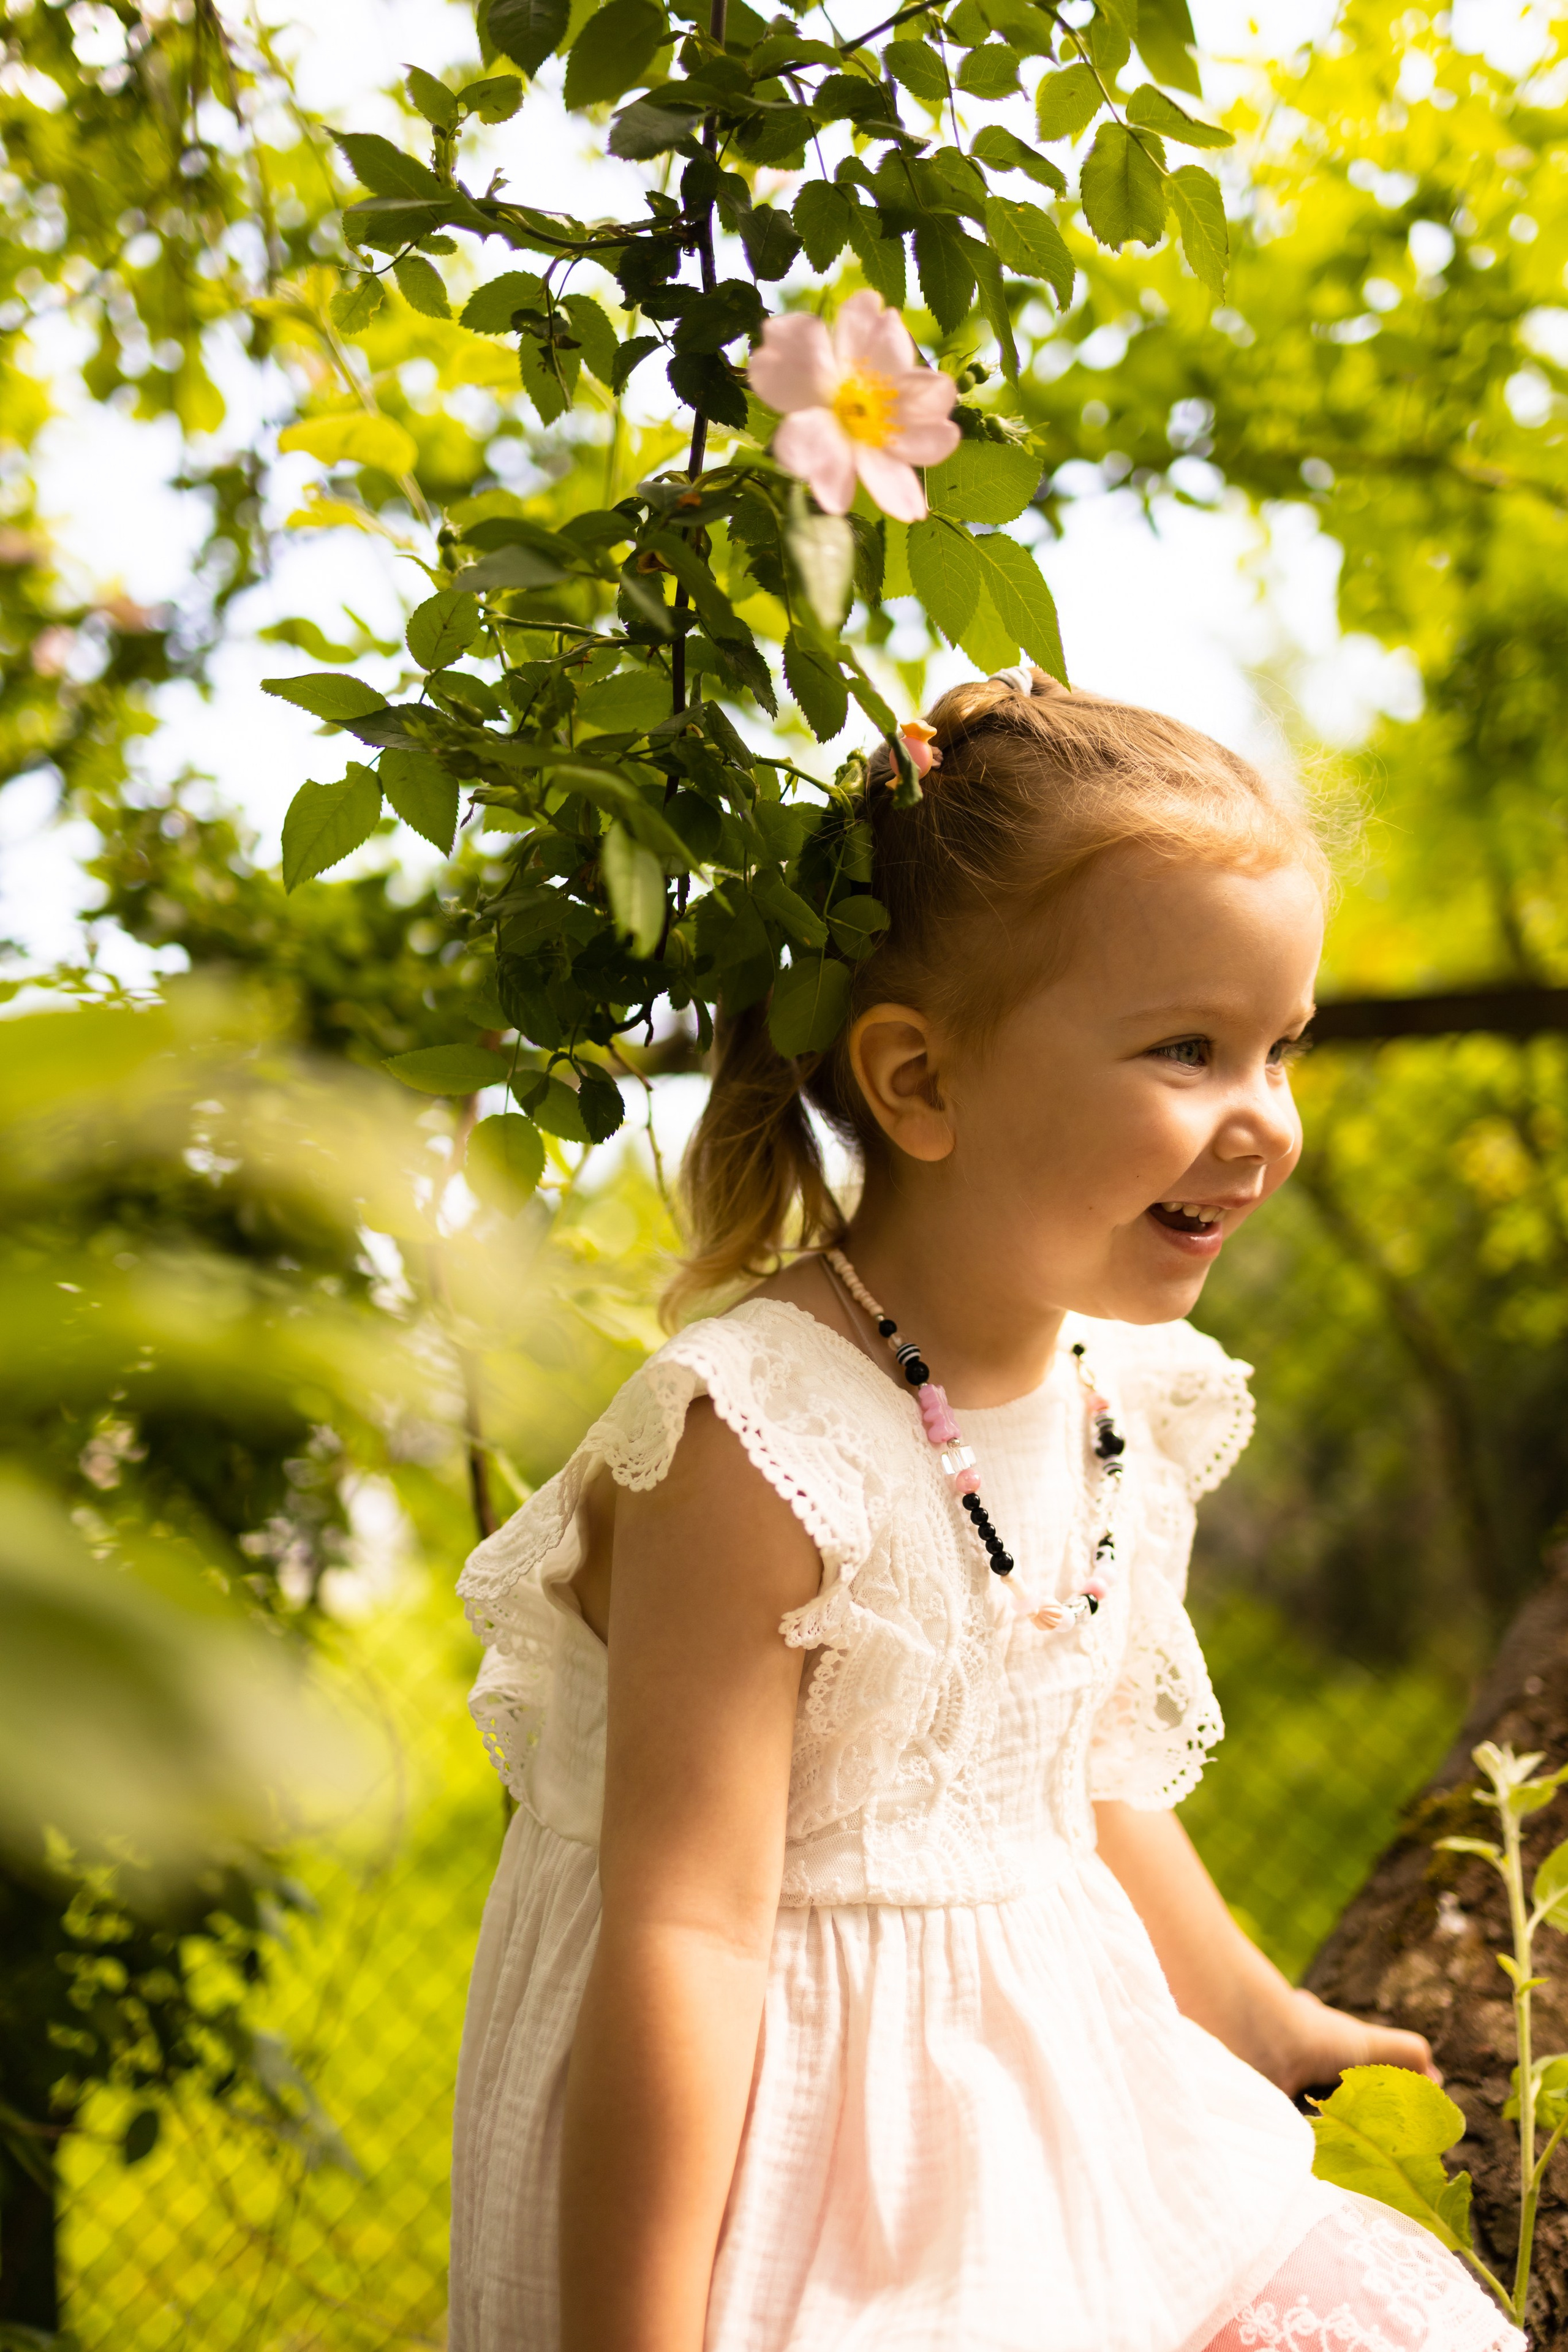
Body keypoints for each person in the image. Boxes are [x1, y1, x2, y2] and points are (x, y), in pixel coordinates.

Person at [449, 672, 1523, 2352]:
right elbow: (689, 1934)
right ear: (921, 1083)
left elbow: (1055, 1768)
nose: (1265, 1123)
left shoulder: (1116, 1396)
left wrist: (1254, 2011)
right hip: (793, 2155)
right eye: (1189, 1050)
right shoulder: (762, 1442)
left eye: (1280, 1048)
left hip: (1054, 2087)